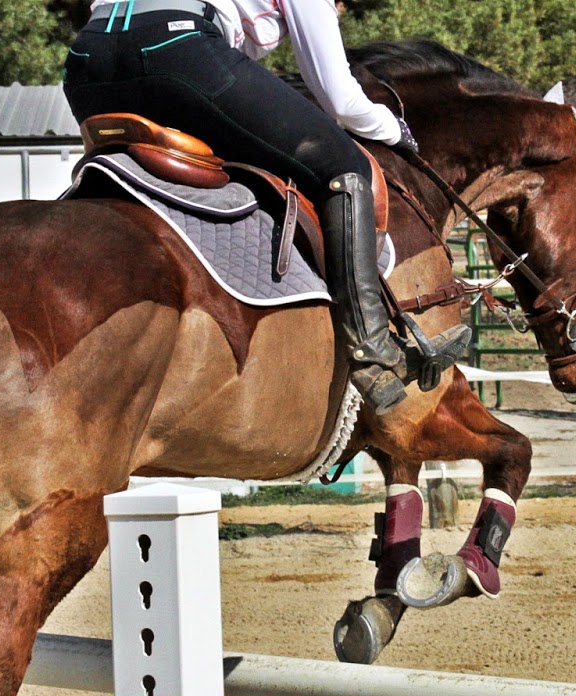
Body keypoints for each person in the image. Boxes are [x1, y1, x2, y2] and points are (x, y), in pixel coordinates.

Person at [63, 0, 423, 413]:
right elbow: (342, 102)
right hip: (173, 45)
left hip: (86, 60)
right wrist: (395, 129)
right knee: (343, 164)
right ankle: (371, 346)